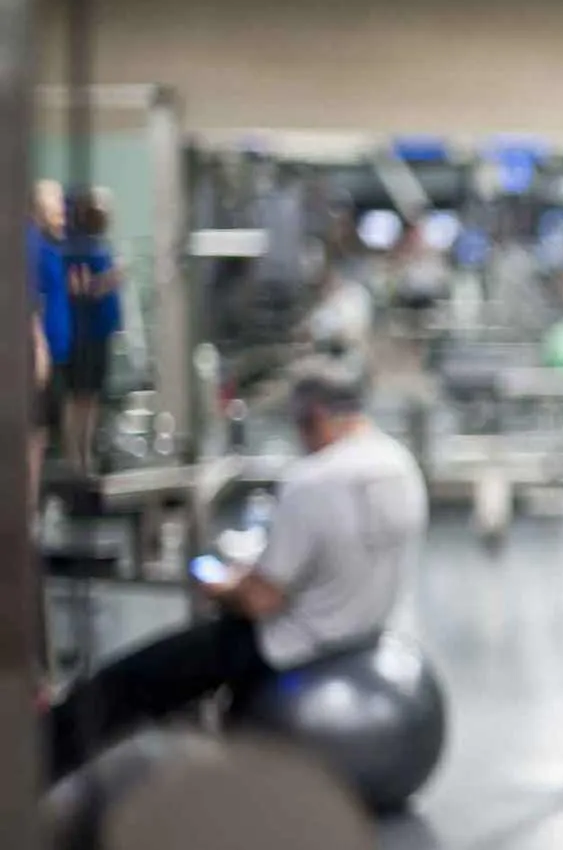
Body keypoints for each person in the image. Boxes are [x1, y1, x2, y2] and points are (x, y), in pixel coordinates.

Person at [45, 358, 427, 780]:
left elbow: (260, 600)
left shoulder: (314, 479)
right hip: (362, 630)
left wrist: (216, 582)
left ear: (315, 416)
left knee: (131, 679)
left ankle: (34, 760)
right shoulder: (399, 463)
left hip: (290, 643)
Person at [60, 188, 124, 475]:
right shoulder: (78, 250)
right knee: (78, 398)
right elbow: (82, 289)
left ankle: (86, 456)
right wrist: (111, 279)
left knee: (91, 397)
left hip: (99, 333)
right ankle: (76, 458)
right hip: (83, 334)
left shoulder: (99, 247)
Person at [29, 180, 69, 485]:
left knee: (43, 431)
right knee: (34, 431)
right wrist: (39, 346)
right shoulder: (32, 243)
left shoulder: (53, 244)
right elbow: (32, 302)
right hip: (41, 350)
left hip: (58, 346)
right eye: (55, 201)